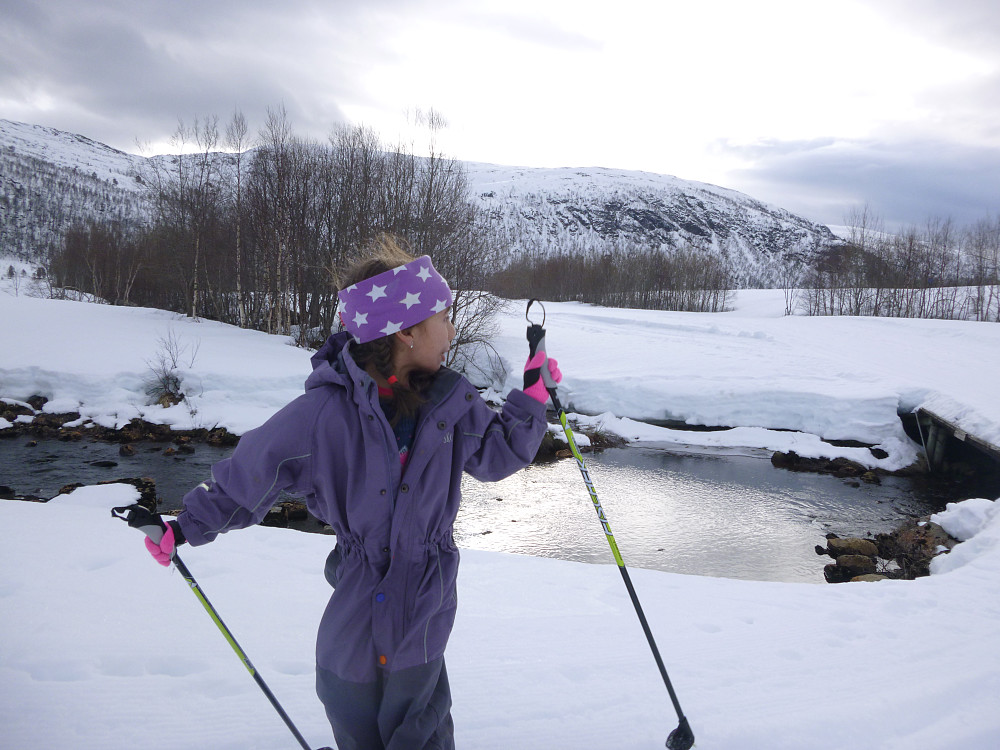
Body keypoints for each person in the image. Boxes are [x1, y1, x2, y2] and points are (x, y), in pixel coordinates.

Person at [144, 235, 562, 750]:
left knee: (421, 724)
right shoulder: (322, 415)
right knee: (350, 708)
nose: (452, 332)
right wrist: (184, 528)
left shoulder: (453, 404)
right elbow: (249, 476)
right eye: (444, 319)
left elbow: (497, 455)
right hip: (356, 602)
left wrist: (532, 400)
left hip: (424, 599)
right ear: (406, 332)